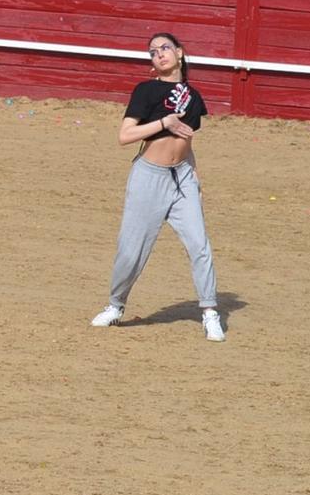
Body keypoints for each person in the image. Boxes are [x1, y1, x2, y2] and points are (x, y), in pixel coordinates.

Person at [90, 32, 224, 343]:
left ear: (179, 52)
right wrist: (164, 123)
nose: (159, 54)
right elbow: (125, 136)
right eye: (153, 52)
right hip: (149, 177)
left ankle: (209, 311)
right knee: (132, 250)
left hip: (183, 177)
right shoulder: (146, 91)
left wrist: (195, 177)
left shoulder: (194, 96)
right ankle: (115, 305)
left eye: (165, 48)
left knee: (199, 245)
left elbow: (186, 142)